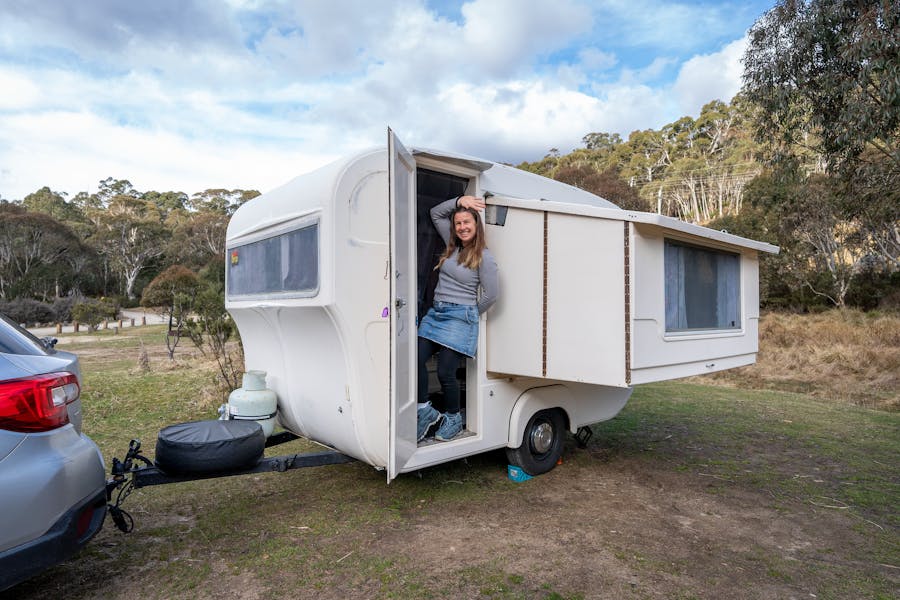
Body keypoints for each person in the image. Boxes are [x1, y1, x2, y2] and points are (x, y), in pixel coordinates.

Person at [417, 194, 499, 443]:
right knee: (413, 359)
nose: (462, 227)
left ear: (477, 226)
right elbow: (435, 212)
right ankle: (425, 411)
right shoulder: (452, 246)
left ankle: (453, 418)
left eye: (467, 223)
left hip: (459, 316)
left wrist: (470, 313)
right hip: (437, 313)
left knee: (445, 373)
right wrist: (459, 201)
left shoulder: (485, 258)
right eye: (459, 223)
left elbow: (492, 294)